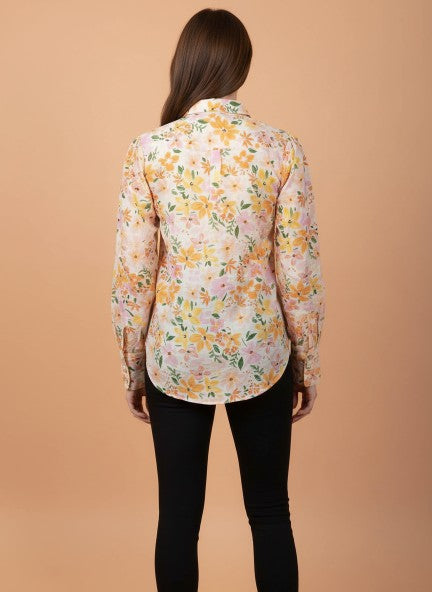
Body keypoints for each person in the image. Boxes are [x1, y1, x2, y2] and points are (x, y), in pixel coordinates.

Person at [111, 7, 326, 592]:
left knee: (178, 520)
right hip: (263, 355)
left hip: (176, 356)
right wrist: (306, 362)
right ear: (242, 65)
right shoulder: (281, 149)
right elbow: (300, 272)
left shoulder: (150, 151)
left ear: (185, 63)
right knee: (270, 512)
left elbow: (134, 273)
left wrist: (133, 365)